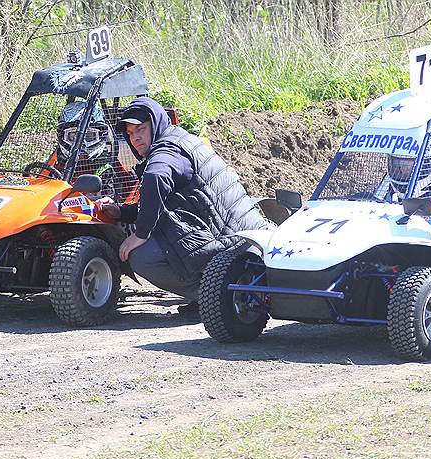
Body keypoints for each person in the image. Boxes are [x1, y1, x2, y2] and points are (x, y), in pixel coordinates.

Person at [114, 97, 272, 316]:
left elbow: (156, 177)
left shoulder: (166, 150)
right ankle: (213, 294)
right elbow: (172, 205)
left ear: (156, 123)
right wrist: (121, 212)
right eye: (130, 133)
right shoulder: (181, 140)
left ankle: (217, 298)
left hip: (233, 245)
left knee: (141, 256)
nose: (135, 138)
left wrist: (140, 234)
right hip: (247, 239)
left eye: (140, 129)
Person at [53, 101, 139, 223]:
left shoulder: (105, 169)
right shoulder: (59, 166)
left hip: (96, 223)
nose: (81, 143)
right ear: (62, 136)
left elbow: (108, 201)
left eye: (89, 136)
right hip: (59, 216)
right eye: (74, 136)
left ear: (101, 135)